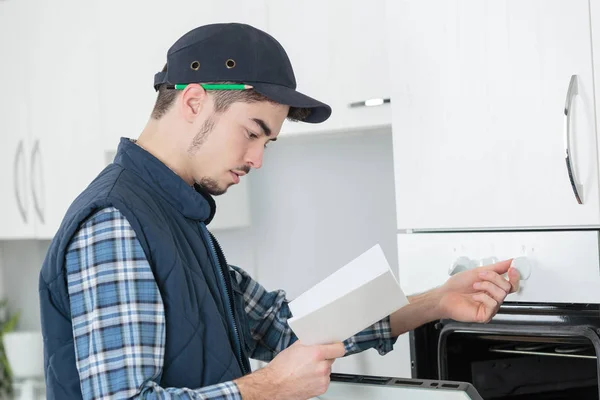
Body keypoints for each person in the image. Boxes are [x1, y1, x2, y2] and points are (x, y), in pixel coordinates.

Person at [38, 22, 520, 400]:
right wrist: (270, 389)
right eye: (251, 132)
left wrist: (437, 300)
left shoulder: (178, 223)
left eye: (267, 141)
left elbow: (284, 326)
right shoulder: (116, 222)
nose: (257, 159)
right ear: (193, 101)